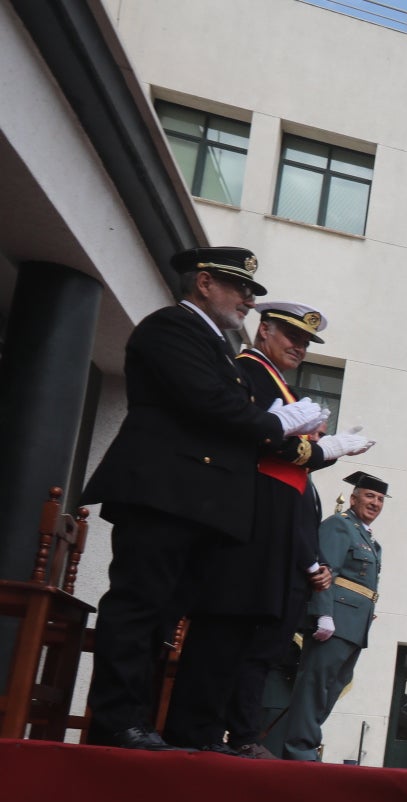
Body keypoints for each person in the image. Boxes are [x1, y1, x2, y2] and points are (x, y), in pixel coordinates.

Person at [80, 246, 331, 750]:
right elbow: (212, 405)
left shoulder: (215, 344)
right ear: (204, 283)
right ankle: (116, 720)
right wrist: (277, 423)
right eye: (240, 289)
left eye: (251, 292)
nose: (247, 300)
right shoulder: (171, 328)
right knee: (139, 607)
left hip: (198, 504)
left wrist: (291, 435)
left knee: (163, 618)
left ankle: (141, 720)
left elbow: (231, 410)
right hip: (163, 492)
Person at [168, 302, 372, 756]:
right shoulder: (250, 370)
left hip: (268, 527)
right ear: (264, 331)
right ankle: (194, 732)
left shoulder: (272, 377)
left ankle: (214, 732)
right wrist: (325, 450)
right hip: (249, 519)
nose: (298, 347)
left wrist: (321, 450)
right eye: (290, 337)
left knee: (244, 636)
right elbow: (265, 441)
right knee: (222, 630)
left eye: (305, 342)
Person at [270, 472, 386, 761]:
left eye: (381, 499)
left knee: (331, 688)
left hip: (355, 625)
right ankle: (300, 749)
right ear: (354, 497)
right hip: (335, 620)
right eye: (370, 496)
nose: (375, 503)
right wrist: (323, 613)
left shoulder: (369, 538)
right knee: (315, 685)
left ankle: (305, 743)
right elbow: (326, 571)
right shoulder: (339, 526)